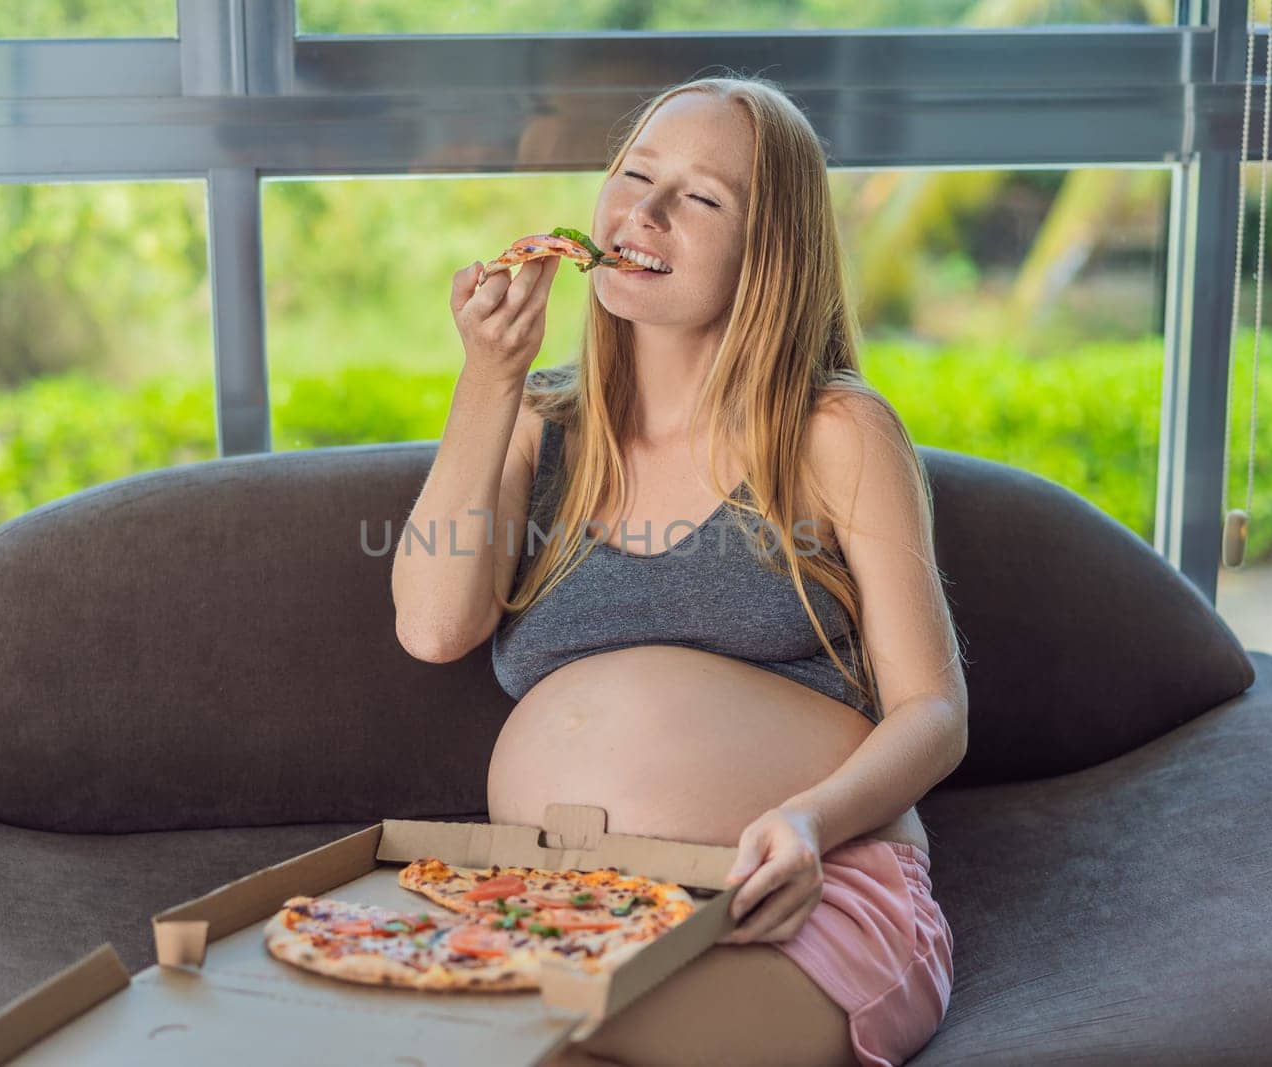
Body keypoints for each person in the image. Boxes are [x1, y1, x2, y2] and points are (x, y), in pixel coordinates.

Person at [393, 71, 969, 1067]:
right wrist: (487, 378)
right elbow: (433, 624)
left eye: (701, 198)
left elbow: (933, 709)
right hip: (578, 901)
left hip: (803, 889)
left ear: (769, 250)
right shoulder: (538, 424)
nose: (644, 212)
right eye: (634, 175)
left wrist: (804, 819)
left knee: (544, 1042)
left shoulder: (834, 433)